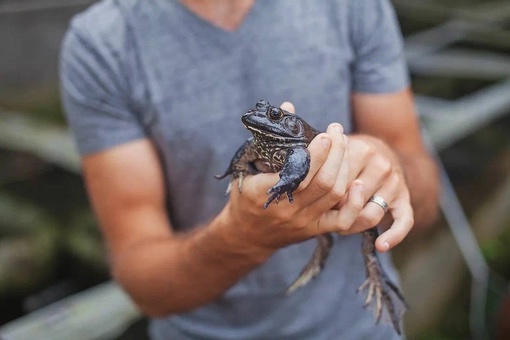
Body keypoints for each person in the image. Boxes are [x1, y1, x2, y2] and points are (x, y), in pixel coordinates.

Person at [59, 0, 440, 339]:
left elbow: (426, 202)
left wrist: (389, 165)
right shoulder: (102, 42)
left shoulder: (354, 6)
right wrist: (240, 237)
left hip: (357, 327)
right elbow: (141, 280)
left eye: (270, 114)